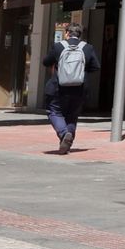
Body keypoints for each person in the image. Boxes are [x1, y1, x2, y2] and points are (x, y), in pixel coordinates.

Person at [41, 23, 100, 154]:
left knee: (54, 111)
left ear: (67, 33)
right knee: (72, 115)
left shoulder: (58, 46)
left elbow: (46, 62)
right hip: (79, 88)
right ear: (80, 34)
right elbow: (95, 66)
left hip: (58, 87)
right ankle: (67, 140)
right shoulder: (88, 48)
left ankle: (64, 134)